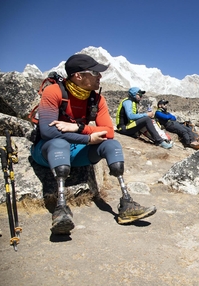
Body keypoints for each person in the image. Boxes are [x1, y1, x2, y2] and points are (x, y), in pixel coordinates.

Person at [30, 54, 156, 235]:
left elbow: (108, 131)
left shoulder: (97, 99)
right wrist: (88, 139)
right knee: (58, 143)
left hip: (77, 152)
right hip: (48, 152)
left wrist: (78, 127)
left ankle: (127, 202)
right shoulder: (54, 92)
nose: (100, 76)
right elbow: (48, 132)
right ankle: (61, 209)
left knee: (112, 145)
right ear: (78, 76)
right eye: (95, 72)